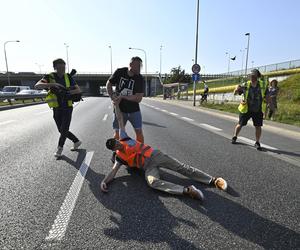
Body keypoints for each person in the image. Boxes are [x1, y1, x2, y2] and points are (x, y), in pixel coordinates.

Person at [100, 102, 228, 201]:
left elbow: (120, 119)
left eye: (115, 141)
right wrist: (104, 182)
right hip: (148, 167)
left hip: (155, 155)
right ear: (114, 150)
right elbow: (113, 172)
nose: (117, 144)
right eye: (115, 145)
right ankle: (187, 190)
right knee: (152, 182)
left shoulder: (123, 137)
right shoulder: (119, 158)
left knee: (181, 168)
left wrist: (116, 105)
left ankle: (213, 180)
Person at [35, 58, 82, 158]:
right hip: (56, 107)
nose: (63, 69)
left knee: (64, 128)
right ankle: (76, 141)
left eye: (64, 67)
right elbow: (37, 85)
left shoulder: (68, 77)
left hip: (68, 106)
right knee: (61, 130)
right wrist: (53, 84)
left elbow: (78, 90)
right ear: (55, 67)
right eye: (60, 67)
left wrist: (67, 92)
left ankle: (59, 148)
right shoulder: (49, 76)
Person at [106, 56, 145, 143]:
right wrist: (112, 96)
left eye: (141, 66)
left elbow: (138, 98)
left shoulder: (140, 79)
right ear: (131, 65)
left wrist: (123, 97)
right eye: (138, 66)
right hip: (119, 109)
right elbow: (109, 83)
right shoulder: (120, 72)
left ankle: (140, 152)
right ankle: (117, 152)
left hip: (134, 110)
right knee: (117, 133)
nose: (140, 68)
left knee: (139, 132)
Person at [231, 69, 268, 150]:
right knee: (240, 124)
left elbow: (267, 96)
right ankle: (235, 136)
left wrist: (268, 106)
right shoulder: (246, 85)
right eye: (251, 76)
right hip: (246, 109)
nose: (252, 77)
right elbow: (236, 92)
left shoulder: (262, 85)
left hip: (257, 109)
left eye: (254, 76)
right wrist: (236, 88)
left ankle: (257, 142)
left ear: (257, 76)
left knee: (258, 126)